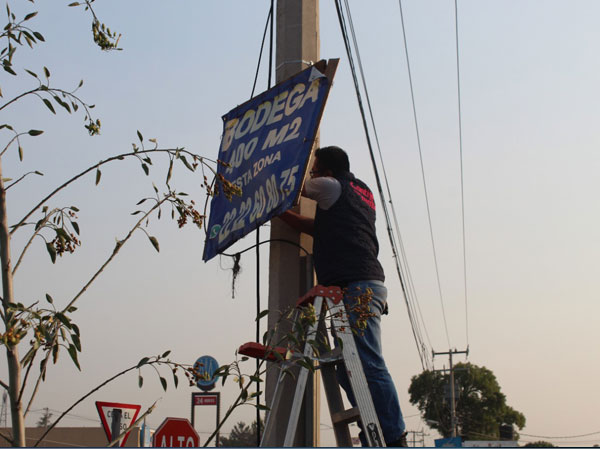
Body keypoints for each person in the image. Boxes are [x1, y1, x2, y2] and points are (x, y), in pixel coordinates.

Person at [278, 146, 408, 447]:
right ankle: (373, 426)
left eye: (314, 170)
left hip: (357, 288)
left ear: (326, 172)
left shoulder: (329, 186)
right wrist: (281, 214)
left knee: (368, 362)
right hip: (358, 287)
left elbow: (291, 183)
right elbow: (316, 228)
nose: (312, 175)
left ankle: (394, 436)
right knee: (347, 370)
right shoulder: (360, 192)